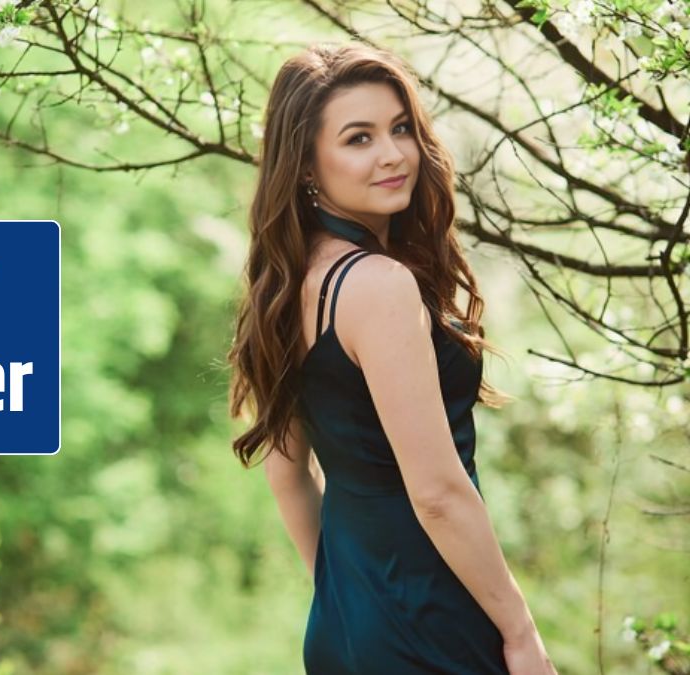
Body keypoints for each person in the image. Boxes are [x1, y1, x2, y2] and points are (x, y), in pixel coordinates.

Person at [226, 42, 559, 674]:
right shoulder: (377, 285)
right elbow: (436, 492)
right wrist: (519, 631)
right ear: (304, 165)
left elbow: (286, 475)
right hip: (435, 613)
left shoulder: (287, 284)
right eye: (358, 138)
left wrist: (346, 598)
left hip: (347, 617)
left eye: (400, 128)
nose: (393, 154)